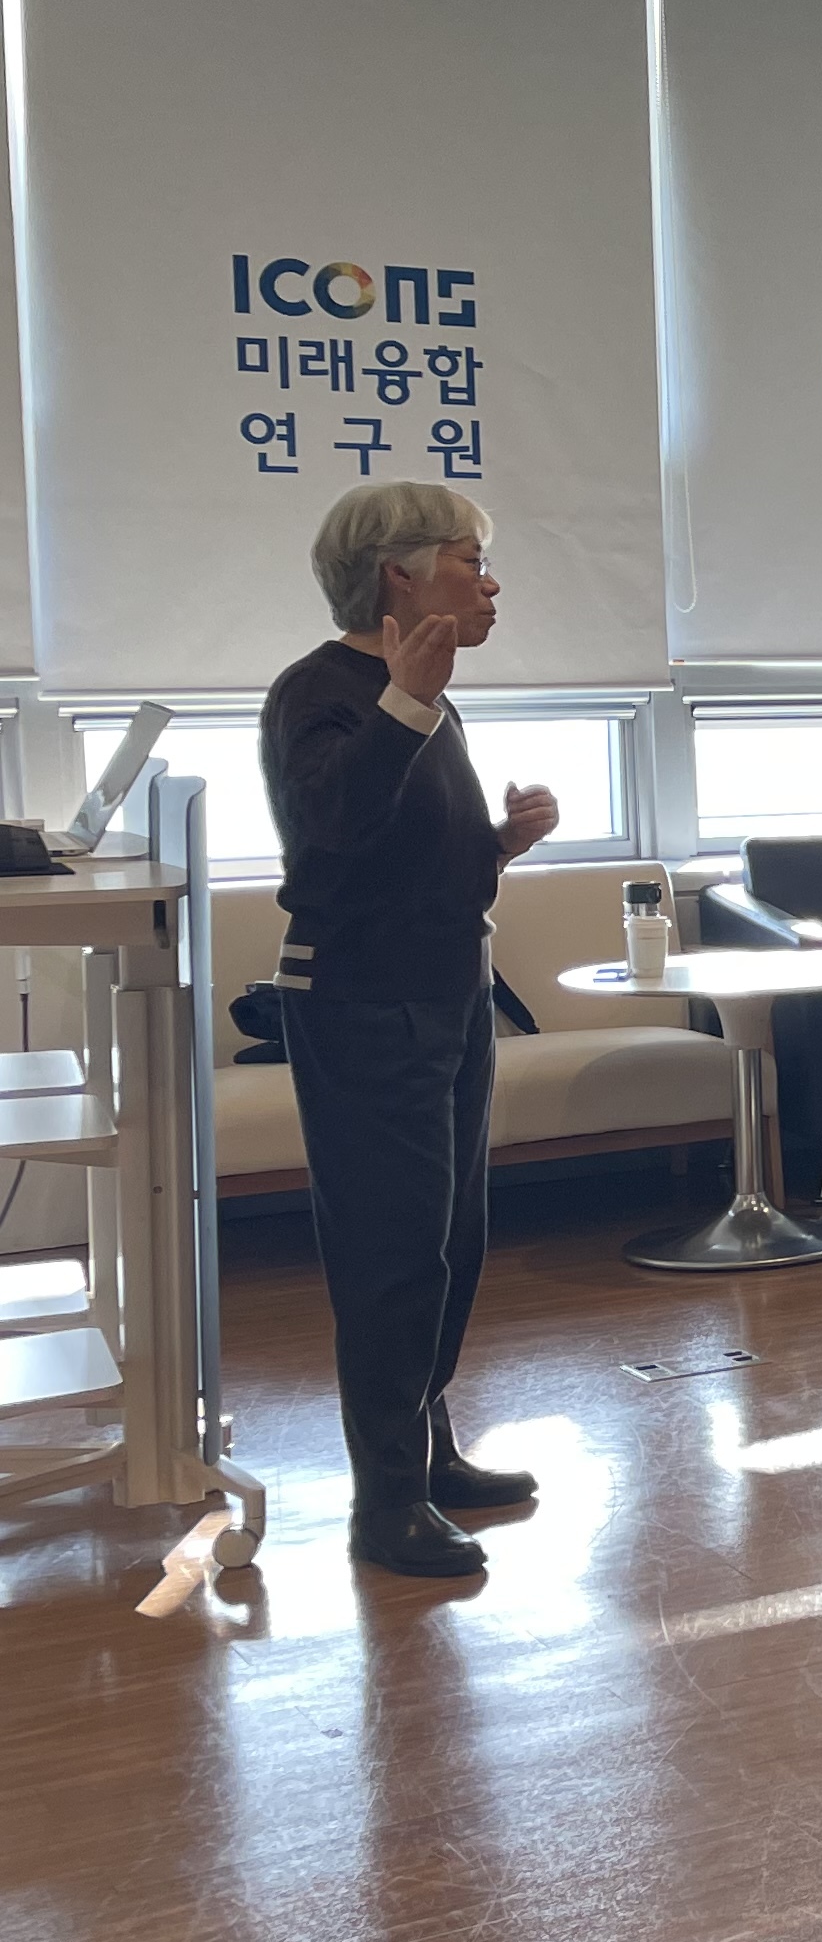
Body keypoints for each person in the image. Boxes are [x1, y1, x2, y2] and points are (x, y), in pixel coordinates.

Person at [260, 483, 561, 1579]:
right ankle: (385, 1503)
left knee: (450, 1241)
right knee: (391, 1252)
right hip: (363, 1003)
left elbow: (416, 857)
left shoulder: (424, 700)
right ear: (399, 571)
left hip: (446, 991)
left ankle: (427, 1453)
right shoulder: (320, 693)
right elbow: (327, 842)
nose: (489, 582)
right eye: (469, 560)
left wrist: (500, 843)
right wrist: (405, 705)